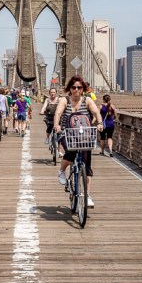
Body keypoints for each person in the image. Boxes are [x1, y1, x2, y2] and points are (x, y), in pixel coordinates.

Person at [53, 75, 103, 208]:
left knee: (86, 166)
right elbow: (58, 113)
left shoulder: (87, 100)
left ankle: (87, 196)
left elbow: (96, 112)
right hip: (67, 133)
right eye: (74, 87)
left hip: (84, 135)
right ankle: (62, 171)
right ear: (70, 88)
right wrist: (57, 125)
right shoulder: (65, 100)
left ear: (83, 89)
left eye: (79, 87)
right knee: (70, 152)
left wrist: (100, 123)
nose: (76, 90)